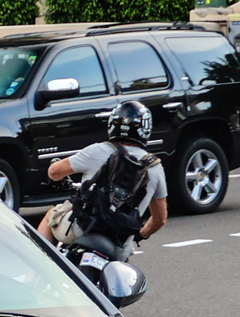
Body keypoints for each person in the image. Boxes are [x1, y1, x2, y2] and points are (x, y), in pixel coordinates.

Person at [41, 101, 168, 255]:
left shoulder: (97, 150)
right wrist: (141, 234)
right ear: (146, 129)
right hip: (119, 246)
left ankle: (36, 270)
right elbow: (160, 219)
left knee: (51, 215)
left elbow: (54, 172)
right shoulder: (154, 167)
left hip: (82, 230)